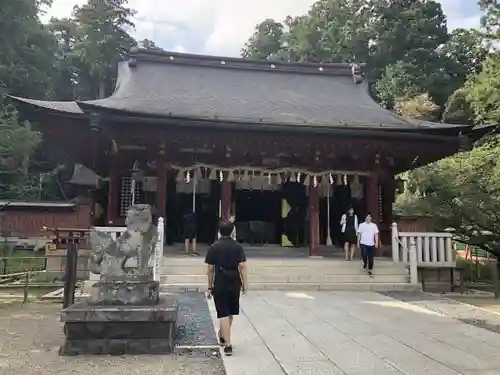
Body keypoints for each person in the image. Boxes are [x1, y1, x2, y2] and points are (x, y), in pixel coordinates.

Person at [206, 219, 248, 356]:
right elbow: (242, 265)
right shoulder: (238, 247)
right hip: (235, 279)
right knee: (230, 312)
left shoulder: (214, 247)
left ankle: (227, 343)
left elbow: (210, 268)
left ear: (219, 231)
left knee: (223, 312)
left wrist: (209, 286)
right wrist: (245, 283)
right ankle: (224, 337)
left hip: (221, 280)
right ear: (232, 231)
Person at [357, 213, 379, 277]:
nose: (368, 218)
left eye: (370, 217)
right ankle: (365, 262)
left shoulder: (374, 225)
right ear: (365, 218)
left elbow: (376, 234)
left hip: (371, 244)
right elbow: (359, 234)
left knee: (371, 258)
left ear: (371, 218)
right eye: (367, 217)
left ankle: (370, 269)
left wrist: (376, 242)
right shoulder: (361, 225)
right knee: (364, 254)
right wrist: (358, 242)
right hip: (363, 243)